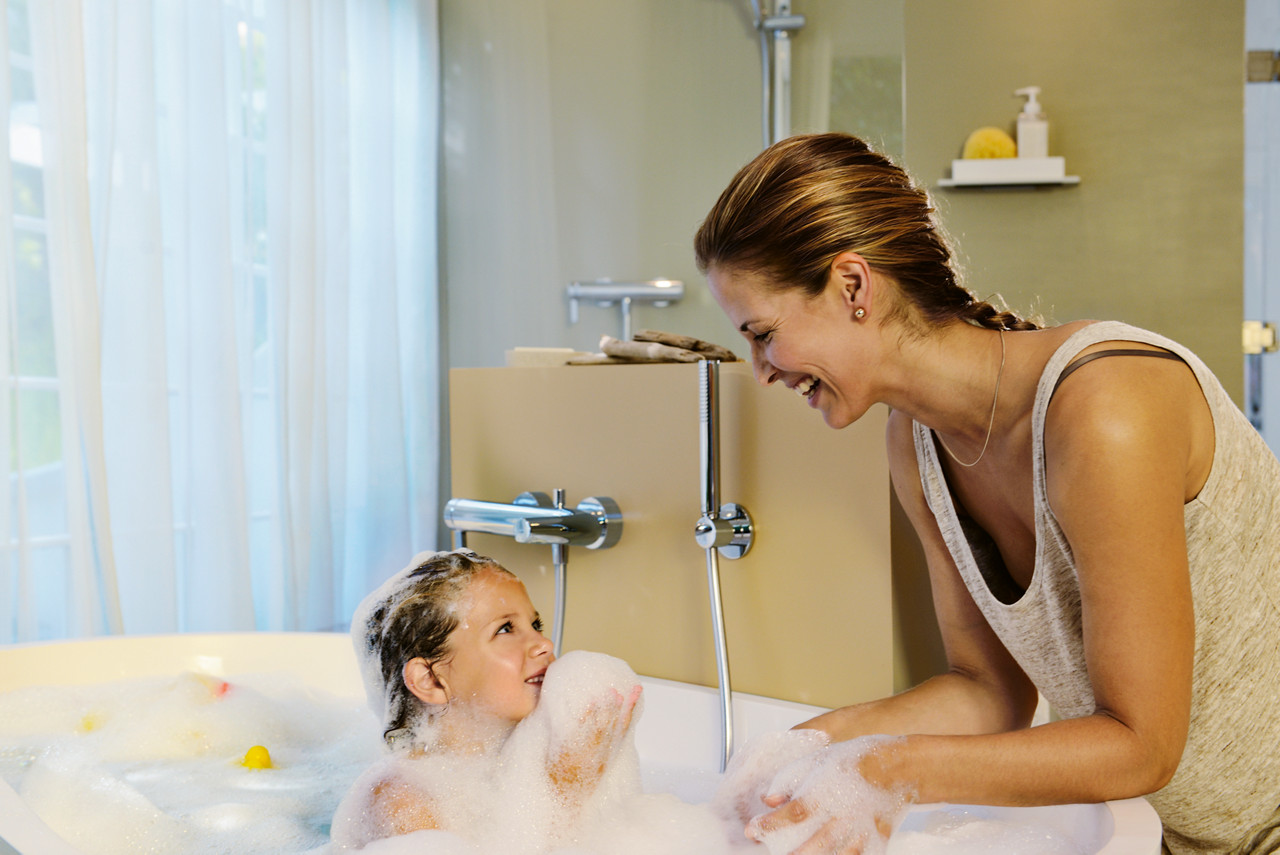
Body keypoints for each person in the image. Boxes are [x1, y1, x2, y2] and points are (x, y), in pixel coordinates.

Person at [693, 132, 1280, 855]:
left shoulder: (1106, 410)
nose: (761, 370)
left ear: (852, 286)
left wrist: (889, 769)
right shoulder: (916, 444)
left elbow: (1141, 744)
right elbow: (988, 691)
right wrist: (804, 747)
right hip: (1169, 837)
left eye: (763, 333)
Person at [329, 549, 642, 851]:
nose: (543, 643)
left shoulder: (520, 760)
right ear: (432, 680)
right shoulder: (402, 797)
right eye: (505, 629)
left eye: (535, 625)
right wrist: (567, 793)